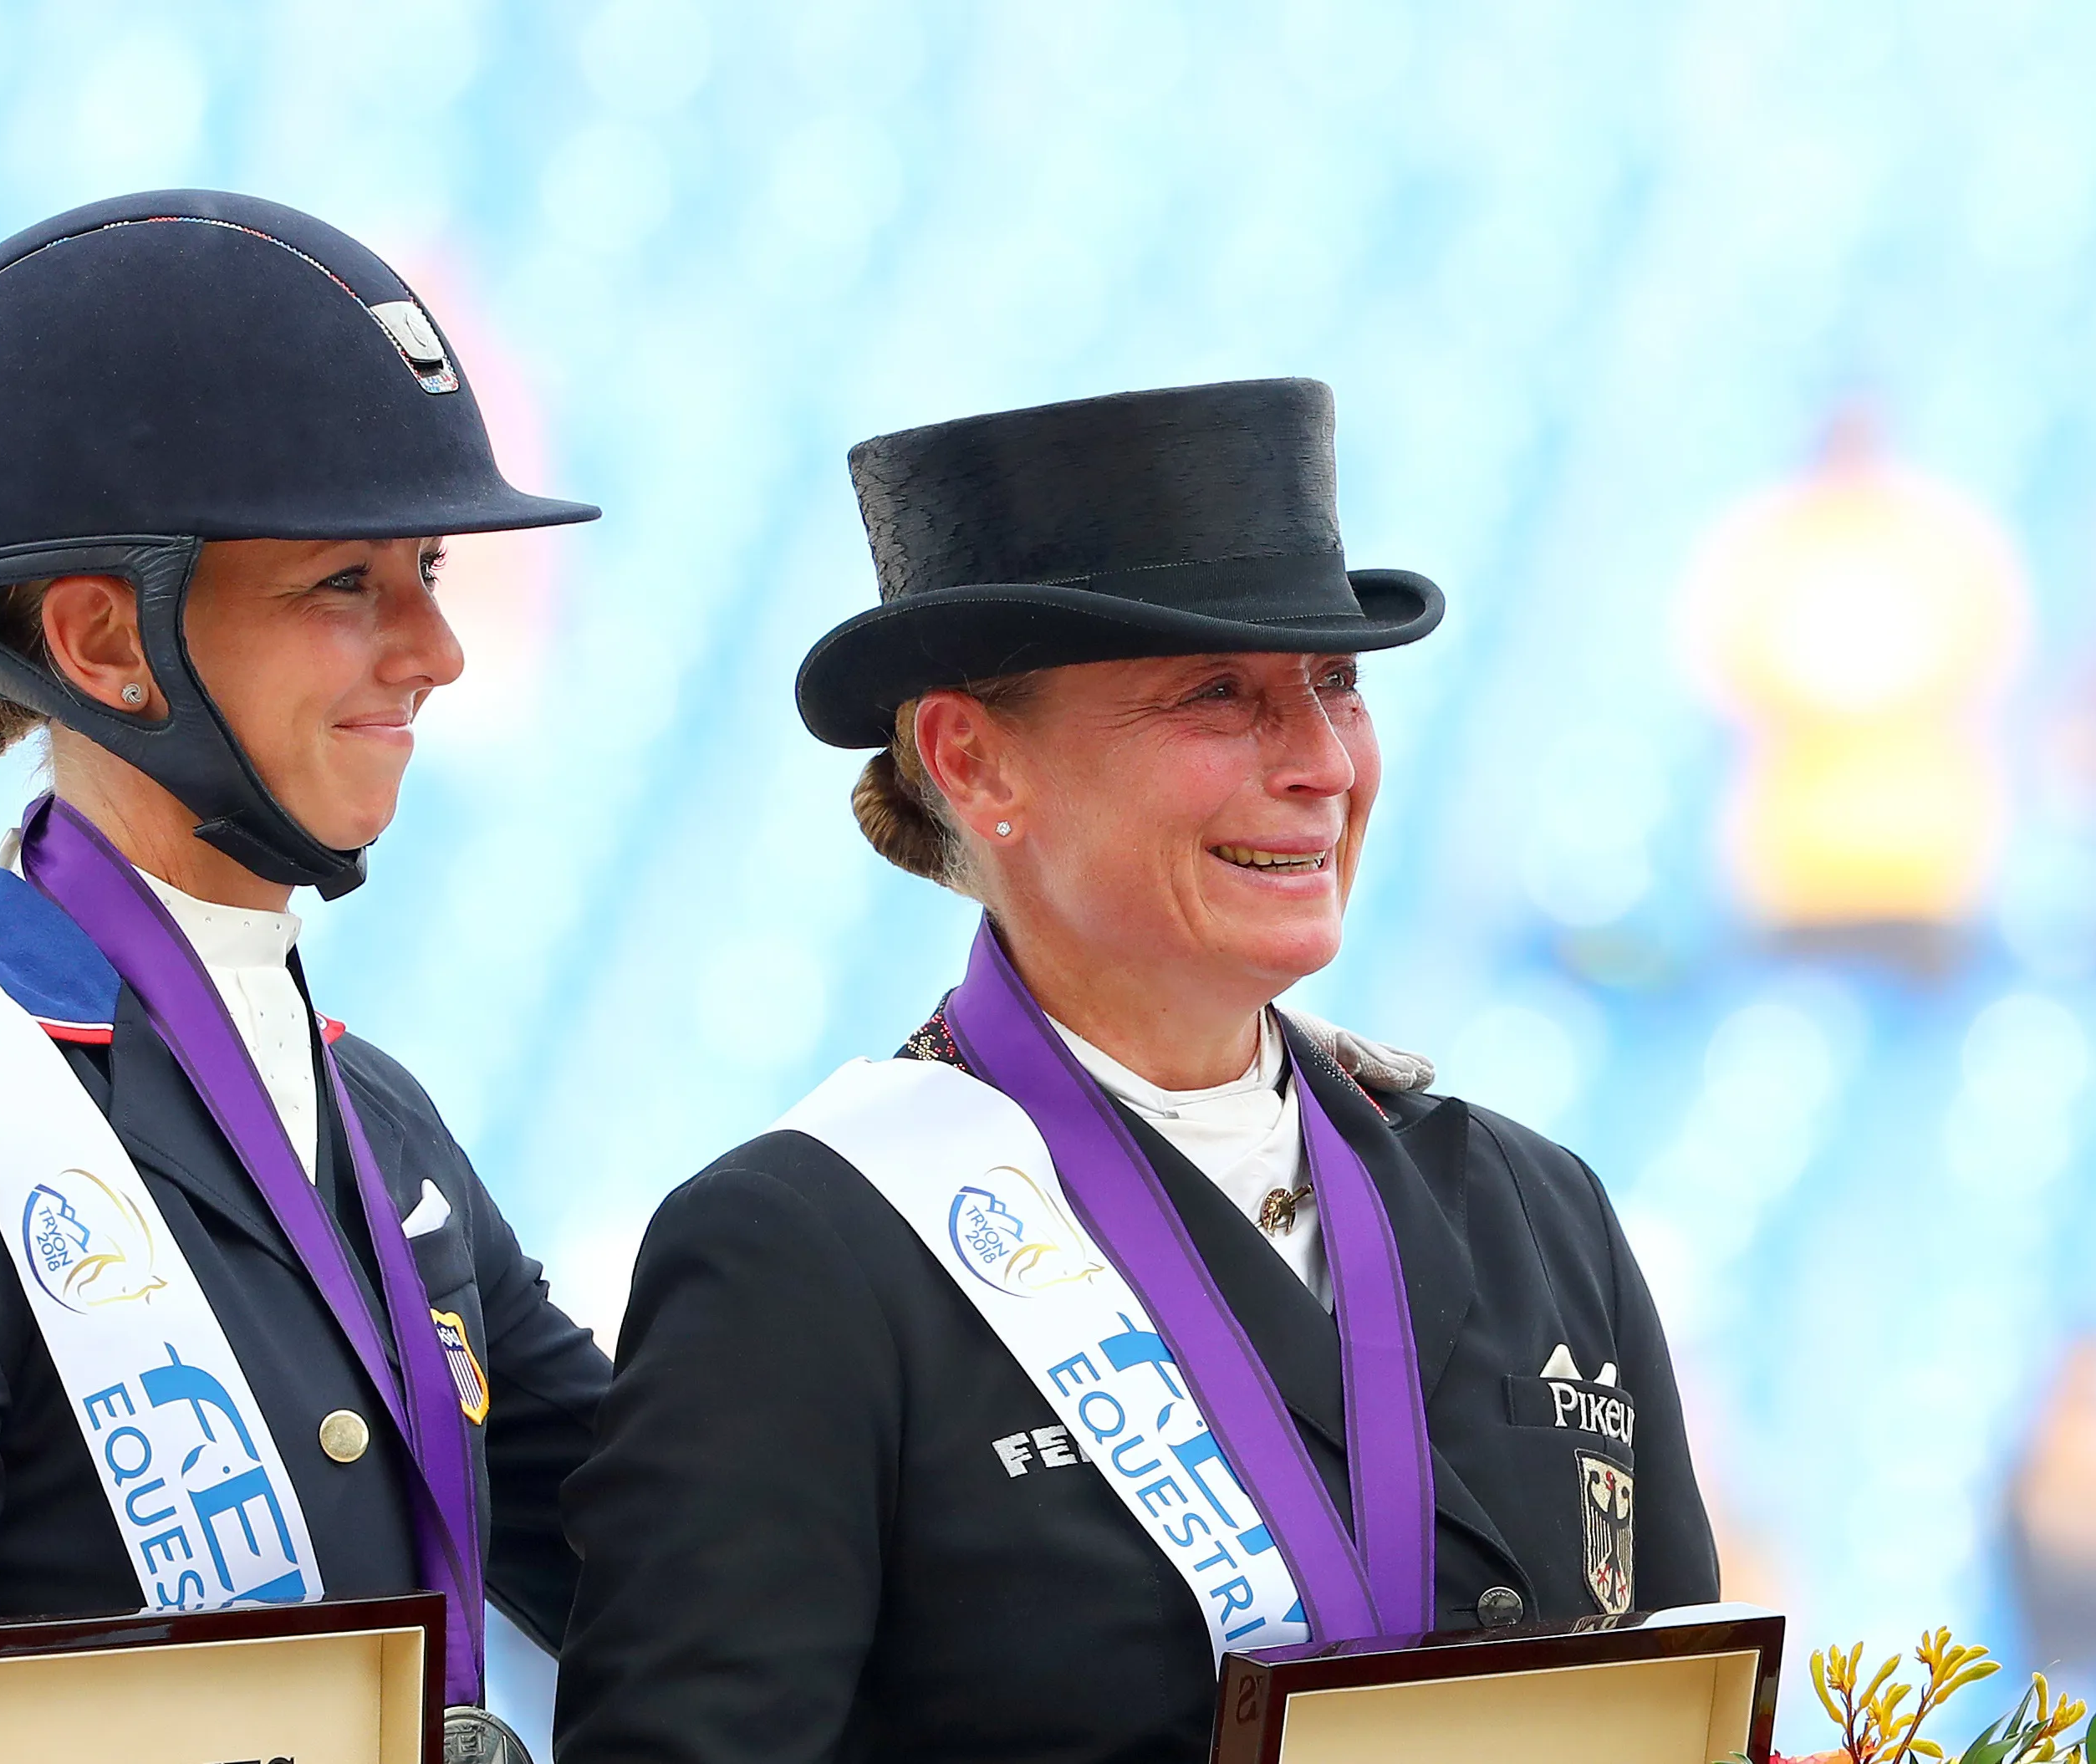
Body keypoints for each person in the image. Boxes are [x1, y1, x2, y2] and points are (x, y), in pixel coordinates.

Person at [554, 380, 1719, 1762]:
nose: (1319, 763)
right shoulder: (801, 1254)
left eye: (1334, 685)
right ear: (971, 756)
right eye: (1216, 694)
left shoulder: (1533, 1207)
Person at [0, 190, 609, 1764]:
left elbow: (681, 1568)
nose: (434, 651)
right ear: (109, 644)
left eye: (430, 570)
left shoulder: (375, 1124)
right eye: (346, 585)